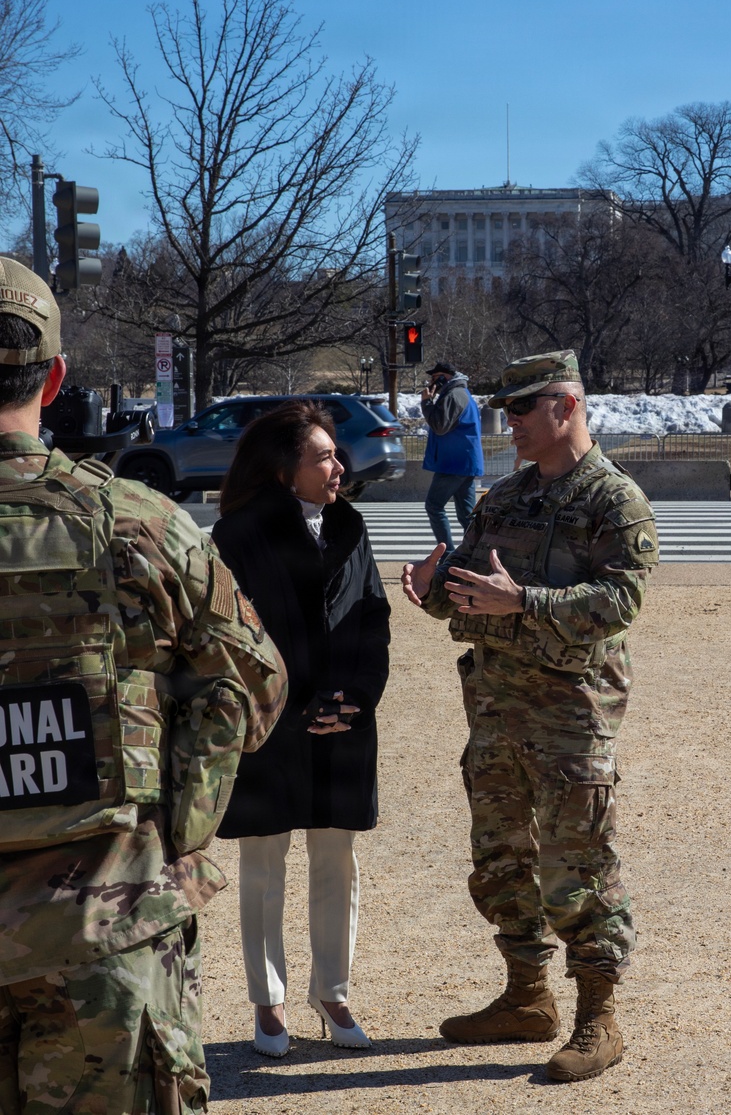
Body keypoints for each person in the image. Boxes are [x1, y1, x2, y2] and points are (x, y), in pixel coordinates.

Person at [0, 257, 287, 1114]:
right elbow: (252, 687)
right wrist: (180, 822)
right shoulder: (142, 524)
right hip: (111, 938)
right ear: (55, 379)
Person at [402, 350, 659, 1083]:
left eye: (521, 407)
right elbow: (473, 591)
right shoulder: (504, 498)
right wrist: (436, 588)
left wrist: (525, 601)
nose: (507, 421)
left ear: (566, 405)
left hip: (570, 718)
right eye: (504, 408)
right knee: (501, 861)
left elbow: (621, 602)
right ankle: (526, 997)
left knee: (579, 866)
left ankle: (598, 1017)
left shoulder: (615, 501)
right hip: (494, 713)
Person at [212, 400, 390, 1055]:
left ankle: (332, 992)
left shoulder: (350, 525)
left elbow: (373, 617)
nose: (339, 467)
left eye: (336, 455)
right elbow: (224, 637)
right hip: (268, 726)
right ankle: (269, 1002)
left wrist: (358, 698)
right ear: (285, 469)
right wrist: (285, 707)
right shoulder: (236, 535)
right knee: (263, 863)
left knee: (337, 861)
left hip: (345, 721)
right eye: (324, 457)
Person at [420, 360, 484, 554]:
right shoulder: (460, 393)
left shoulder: (454, 395)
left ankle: (447, 554)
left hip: (453, 463)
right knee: (467, 515)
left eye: (434, 378)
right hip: (464, 461)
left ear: (444, 377)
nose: (431, 382)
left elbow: (439, 426)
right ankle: (477, 553)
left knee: (434, 506)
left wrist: (426, 403)